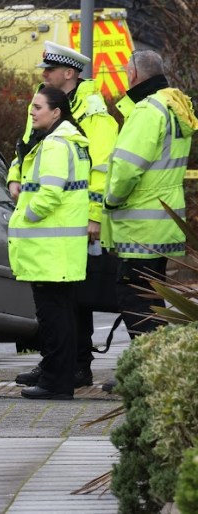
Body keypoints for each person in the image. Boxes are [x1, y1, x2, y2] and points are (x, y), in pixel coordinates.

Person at [8, 41, 119, 389]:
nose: (43, 75)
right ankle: (57, 364)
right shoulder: (46, 104)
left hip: (68, 219)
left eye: (49, 70)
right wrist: (14, 176)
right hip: (50, 215)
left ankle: (75, 367)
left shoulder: (94, 111)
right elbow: (26, 147)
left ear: (68, 73)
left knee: (71, 300)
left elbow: (100, 170)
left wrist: (94, 216)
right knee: (63, 302)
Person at [102, 50, 197, 338]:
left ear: (133, 74)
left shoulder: (147, 111)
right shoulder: (174, 106)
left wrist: (111, 199)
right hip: (166, 221)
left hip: (140, 226)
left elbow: (128, 168)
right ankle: (153, 368)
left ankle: (146, 370)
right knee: (152, 299)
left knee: (135, 298)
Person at [8, 86, 91, 400]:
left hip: (49, 251)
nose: (32, 112)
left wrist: (26, 213)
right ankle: (61, 379)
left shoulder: (55, 145)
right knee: (63, 317)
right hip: (62, 251)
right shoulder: (72, 141)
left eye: (38, 107)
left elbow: (50, 194)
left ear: (56, 112)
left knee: (53, 320)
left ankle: (55, 383)